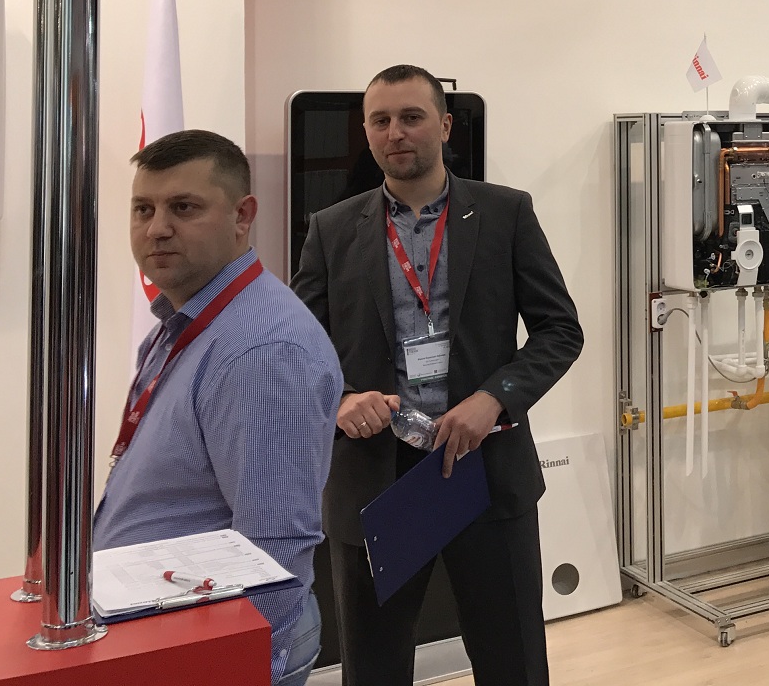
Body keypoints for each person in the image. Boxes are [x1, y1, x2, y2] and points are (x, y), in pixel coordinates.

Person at [292, 64, 583, 686]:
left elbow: (560, 331)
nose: (395, 132)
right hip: (377, 477)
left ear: (445, 126)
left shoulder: (505, 214)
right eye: (380, 120)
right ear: (367, 132)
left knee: (512, 662)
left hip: (483, 465)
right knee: (373, 668)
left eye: (411, 117)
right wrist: (340, 399)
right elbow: (297, 352)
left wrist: (494, 398)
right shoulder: (332, 229)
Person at [96, 131, 342, 686]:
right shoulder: (185, 322)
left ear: (242, 216)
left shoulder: (262, 352)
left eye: (184, 208)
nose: (157, 228)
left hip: (216, 650)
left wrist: (238, 668)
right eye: (143, 209)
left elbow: (275, 551)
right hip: (169, 629)